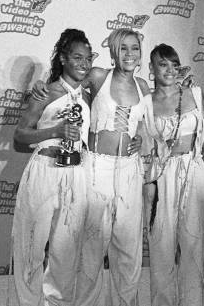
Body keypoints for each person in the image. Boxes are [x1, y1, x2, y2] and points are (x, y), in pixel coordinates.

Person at [32, 28, 150, 306]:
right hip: (97, 167)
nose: (129, 54)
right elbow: (66, 85)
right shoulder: (98, 76)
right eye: (123, 48)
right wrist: (40, 87)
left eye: (135, 48)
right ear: (113, 52)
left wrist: (141, 137)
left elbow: (145, 121)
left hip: (130, 170)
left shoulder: (144, 86)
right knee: (92, 245)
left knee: (129, 248)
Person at [143, 43, 204, 306]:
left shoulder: (194, 94)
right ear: (152, 68)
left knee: (192, 243)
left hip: (194, 173)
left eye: (174, 64)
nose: (170, 70)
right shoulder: (145, 102)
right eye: (163, 64)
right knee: (160, 245)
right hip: (162, 177)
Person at [11, 28, 92, 305]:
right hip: (45, 169)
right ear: (63, 59)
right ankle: (28, 301)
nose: (83, 63)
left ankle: (57, 302)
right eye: (77, 57)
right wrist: (54, 130)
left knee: (65, 250)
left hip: (76, 174)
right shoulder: (45, 92)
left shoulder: (89, 95)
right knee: (32, 245)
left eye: (88, 58)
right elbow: (21, 135)